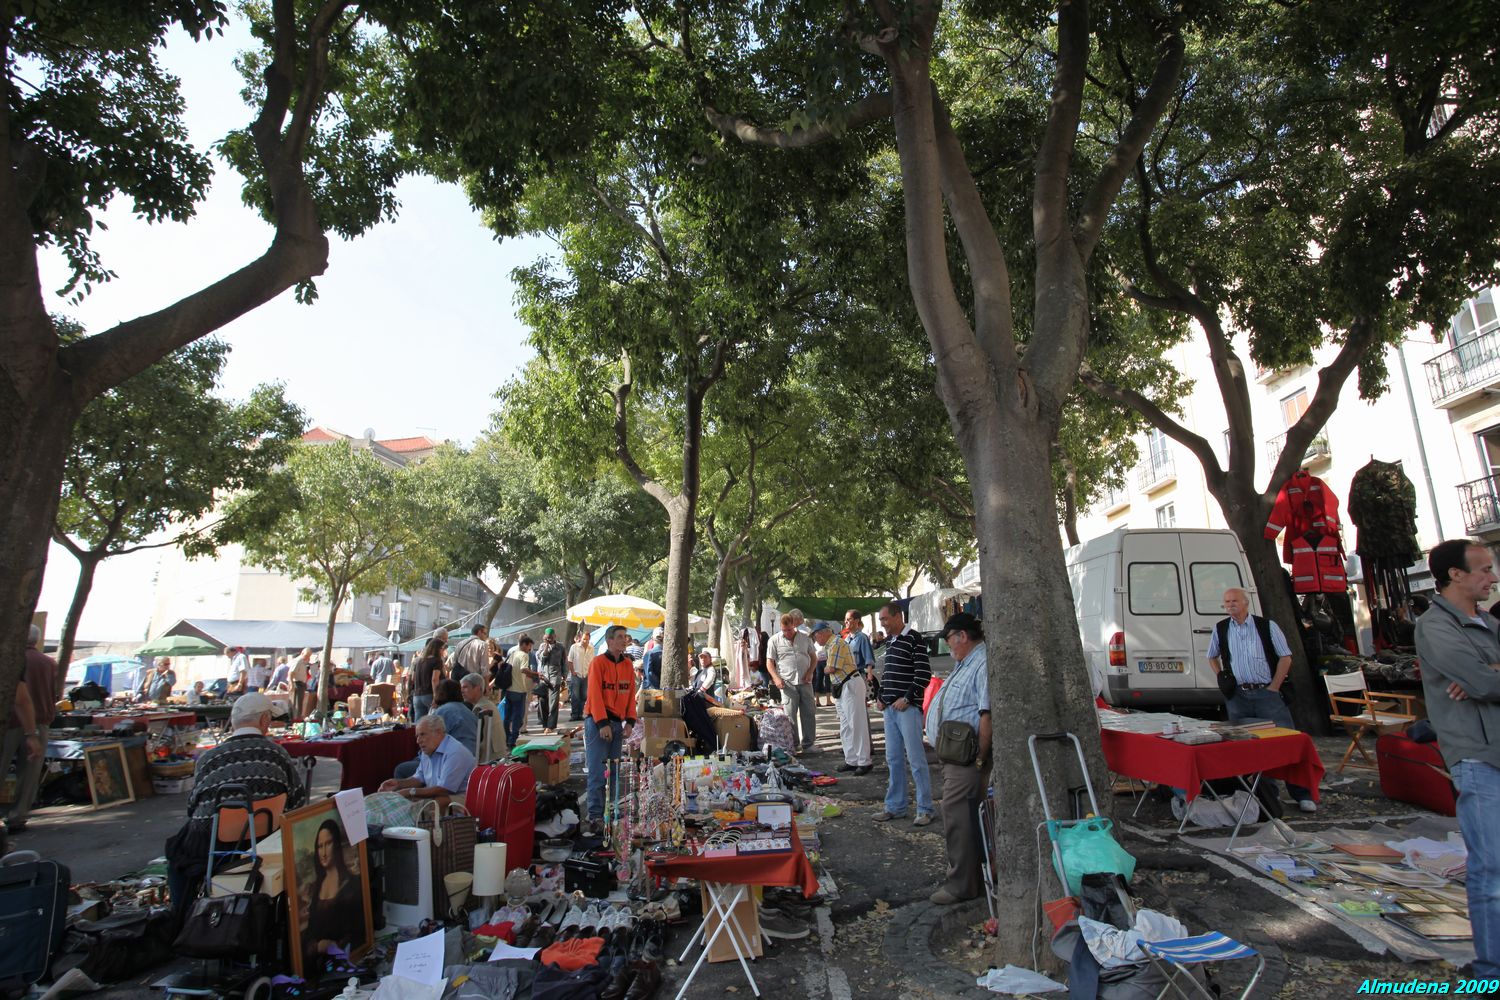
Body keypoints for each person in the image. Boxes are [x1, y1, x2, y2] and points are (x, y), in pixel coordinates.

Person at [1413, 539, 1500, 978]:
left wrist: (1487, 674)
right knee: (1493, 867)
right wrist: (1483, 675)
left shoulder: (1486, 622)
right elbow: (1479, 683)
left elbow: (1483, 679)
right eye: (1484, 570)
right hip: (1477, 755)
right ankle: (1491, 970)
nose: (1493, 577)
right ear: (1455, 575)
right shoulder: (1435, 625)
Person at [165, 692, 307, 923]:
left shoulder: (208, 758)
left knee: (176, 852)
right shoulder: (277, 754)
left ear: (233, 721)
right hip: (263, 843)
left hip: (212, 847)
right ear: (264, 721)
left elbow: (193, 808)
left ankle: (182, 919)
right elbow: (297, 803)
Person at [1207, 587, 1316, 812]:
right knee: (1248, 747)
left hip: (1267, 693)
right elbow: (1211, 656)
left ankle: (1302, 793)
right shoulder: (1221, 628)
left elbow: (1285, 657)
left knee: (1286, 742)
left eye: (1234, 601)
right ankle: (1267, 795)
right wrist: (1222, 677)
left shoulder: (1266, 626)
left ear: (1246, 602)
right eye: (1226, 602)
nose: (1230, 605)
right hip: (1239, 695)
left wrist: (1274, 686)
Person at [924, 613, 992, 904]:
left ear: (962, 636)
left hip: (967, 758)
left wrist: (980, 758)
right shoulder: (967, 661)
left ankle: (961, 884)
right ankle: (969, 878)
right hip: (956, 755)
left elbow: (986, 714)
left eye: (950, 639)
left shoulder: (982, 662)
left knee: (957, 816)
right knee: (960, 815)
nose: (948, 646)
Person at [875, 602, 934, 826]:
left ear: (898, 616)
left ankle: (925, 808)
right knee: (893, 759)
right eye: (881, 620)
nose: (883, 624)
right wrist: (881, 696)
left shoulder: (914, 638)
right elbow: (889, 673)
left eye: (885, 619)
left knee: (916, 760)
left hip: (907, 710)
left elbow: (923, 674)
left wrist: (908, 698)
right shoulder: (891, 641)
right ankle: (895, 806)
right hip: (890, 709)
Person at [1, 625, 54, 834]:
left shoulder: (13, 659)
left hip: (11, 721)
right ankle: (18, 816)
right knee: (29, 772)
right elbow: (52, 692)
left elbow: (22, 699)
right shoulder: (48, 663)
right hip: (39, 720)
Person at [584, 625, 636, 832]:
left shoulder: (628, 665)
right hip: (598, 723)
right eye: (620, 637)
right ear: (609, 641)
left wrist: (630, 722)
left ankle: (611, 811)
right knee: (598, 772)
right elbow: (594, 695)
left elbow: (631, 695)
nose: (624, 640)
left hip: (617, 724)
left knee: (614, 771)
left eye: (626, 637)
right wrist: (602, 723)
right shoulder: (598, 663)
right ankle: (595, 815)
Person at [301, 818, 364, 971]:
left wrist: (335, 946)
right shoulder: (314, 889)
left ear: (336, 845)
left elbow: (358, 928)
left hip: (347, 961)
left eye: (328, 844)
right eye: (319, 846)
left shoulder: (352, 883)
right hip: (318, 966)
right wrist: (317, 947)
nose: (323, 852)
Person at [379, 714, 476, 800]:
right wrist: (398, 784)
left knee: (440, 801)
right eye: (417, 736)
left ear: (438, 732)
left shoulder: (455, 752)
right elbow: (419, 779)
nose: (418, 741)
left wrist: (410, 792)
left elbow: (444, 790)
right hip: (439, 795)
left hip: (462, 800)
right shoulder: (428, 750)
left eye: (422, 734)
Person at [822, 619, 871, 775]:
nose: (815, 639)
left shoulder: (836, 643)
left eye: (815, 636)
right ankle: (852, 759)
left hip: (850, 684)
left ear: (822, 633)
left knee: (856, 724)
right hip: (843, 686)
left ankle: (864, 761)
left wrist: (824, 669)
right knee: (846, 725)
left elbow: (830, 668)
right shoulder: (832, 644)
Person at [766, 612, 818, 755]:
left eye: (789, 630)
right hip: (787, 682)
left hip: (805, 681)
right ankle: (793, 744)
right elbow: (769, 662)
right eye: (784, 630)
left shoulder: (805, 638)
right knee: (789, 716)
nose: (787, 633)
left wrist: (810, 672)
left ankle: (808, 743)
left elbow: (814, 658)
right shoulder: (774, 640)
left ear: (793, 626)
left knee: (809, 712)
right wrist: (776, 678)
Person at [460, 672, 508, 761]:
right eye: (461, 688)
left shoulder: (481, 708)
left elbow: (473, 738)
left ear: (477, 688)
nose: (462, 691)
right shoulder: (486, 704)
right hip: (497, 755)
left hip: (490, 758)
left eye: (465, 687)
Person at [504, 635, 537, 748]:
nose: (530, 649)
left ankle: (507, 737)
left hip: (509, 689)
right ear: (524, 644)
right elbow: (524, 669)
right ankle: (513, 739)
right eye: (529, 646)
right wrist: (535, 674)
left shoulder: (513, 653)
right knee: (518, 716)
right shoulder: (524, 655)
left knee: (508, 716)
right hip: (519, 690)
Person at [431, 678, 478, 753]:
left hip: (453, 757)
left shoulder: (442, 711)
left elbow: (431, 740)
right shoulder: (467, 710)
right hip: (471, 755)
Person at [535, 628, 567, 733]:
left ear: (555, 636)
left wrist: (564, 676)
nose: (550, 639)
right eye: (548, 638)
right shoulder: (542, 646)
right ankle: (545, 724)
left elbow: (564, 662)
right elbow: (541, 658)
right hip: (544, 677)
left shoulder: (560, 647)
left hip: (555, 677)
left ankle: (551, 725)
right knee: (542, 701)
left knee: (553, 703)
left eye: (551, 637)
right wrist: (546, 647)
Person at [412, 636, 446, 723]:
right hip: (430, 694)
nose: (443, 651)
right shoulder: (437, 661)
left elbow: (413, 678)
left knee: (419, 724)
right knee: (433, 723)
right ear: (437, 649)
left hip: (417, 696)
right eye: (442, 648)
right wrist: (436, 697)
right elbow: (435, 679)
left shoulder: (418, 661)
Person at [567, 629, 593, 722]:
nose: (585, 641)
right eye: (584, 639)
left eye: (587, 639)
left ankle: (580, 714)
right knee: (575, 696)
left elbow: (592, 662)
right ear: (580, 638)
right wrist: (573, 671)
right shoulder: (574, 647)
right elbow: (570, 660)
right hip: (576, 675)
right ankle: (574, 714)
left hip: (586, 675)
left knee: (584, 696)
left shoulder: (591, 648)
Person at [289, 649, 313, 721]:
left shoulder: (303, 661)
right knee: (296, 704)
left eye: (309, 656)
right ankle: (295, 720)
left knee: (299, 704)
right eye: (306, 655)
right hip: (297, 683)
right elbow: (290, 673)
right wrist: (291, 684)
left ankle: (297, 719)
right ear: (302, 653)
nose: (307, 657)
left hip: (301, 683)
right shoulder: (298, 661)